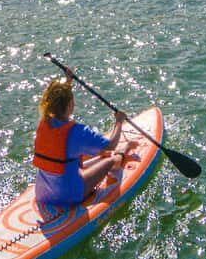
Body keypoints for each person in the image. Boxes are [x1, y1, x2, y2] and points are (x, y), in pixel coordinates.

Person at [33, 67, 132, 206]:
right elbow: (111, 144)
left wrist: (68, 82)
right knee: (109, 160)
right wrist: (119, 122)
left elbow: (58, 100)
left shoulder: (44, 123)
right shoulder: (77, 132)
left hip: (42, 192)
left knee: (77, 155)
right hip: (68, 195)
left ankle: (97, 156)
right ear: (70, 105)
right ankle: (122, 152)